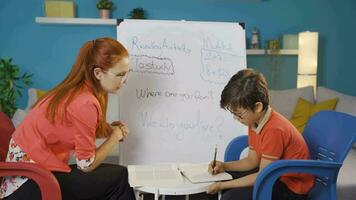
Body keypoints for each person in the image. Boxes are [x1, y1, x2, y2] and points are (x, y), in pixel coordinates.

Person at [0, 37, 136, 200]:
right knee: (120, 177)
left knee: (116, 176)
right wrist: (114, 137)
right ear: (98, 73)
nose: (125, 81)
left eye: (127, 74)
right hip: (30, 183)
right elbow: (86, 164)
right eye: (120, 74)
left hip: (27, 178)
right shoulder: (85, 102)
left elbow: (77, 129)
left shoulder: (80, 91)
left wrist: (109, 129)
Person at [206, 69, 314, 200]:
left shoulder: (274, 129)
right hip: (275, 176)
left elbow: (262, 176)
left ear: (257, 107)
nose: (236, 118)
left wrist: (222, 186)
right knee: (225, 177)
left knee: (229, 196)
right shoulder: (255, 122)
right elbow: (252, 161)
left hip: (292, 188)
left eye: (239, 114)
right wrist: (224, 166)